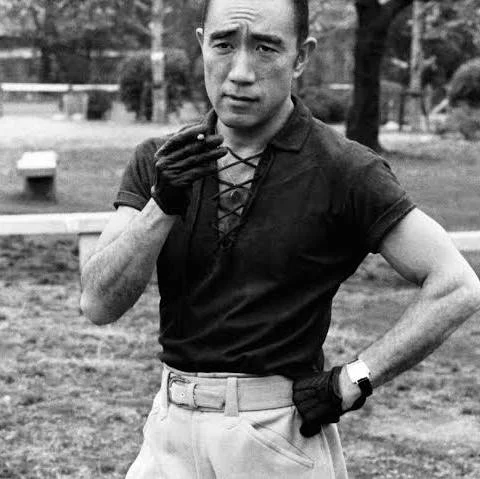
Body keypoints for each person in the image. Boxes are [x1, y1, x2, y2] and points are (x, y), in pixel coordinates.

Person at [80, 0, 480, 477]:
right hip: (168, 432)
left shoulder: (344, 169)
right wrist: (161, 204)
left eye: (265, 47)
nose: (240, 72)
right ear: (201, 44)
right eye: (224, 44)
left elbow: (456, 285)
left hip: (276, 439)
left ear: (301, 57)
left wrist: (355, 378)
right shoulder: (161, 160)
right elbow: (98, 304)